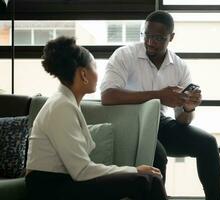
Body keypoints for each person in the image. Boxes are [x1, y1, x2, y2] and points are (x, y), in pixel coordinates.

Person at [100, 11, 220, 200]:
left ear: (171, 37)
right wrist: (159, 96)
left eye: (158, 38)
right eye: (147, 35)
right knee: (157, 155)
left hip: (158, 123)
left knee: (207, 143)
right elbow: (107, 96)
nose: (150, 42)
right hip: (128, 124)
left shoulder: (179, 66)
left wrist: (189, 107)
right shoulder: (125, 55)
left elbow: (183, 121)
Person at [25, 36, 168, 200]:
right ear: (83, 74)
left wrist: (133, 171)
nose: (97, 73)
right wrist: (134, 170)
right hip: (48, 188)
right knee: (145, 181)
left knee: (148, 179)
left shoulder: (66, 102)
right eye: (94, 67)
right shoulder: (61, 106)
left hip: (63, 181)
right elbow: (82, 171)